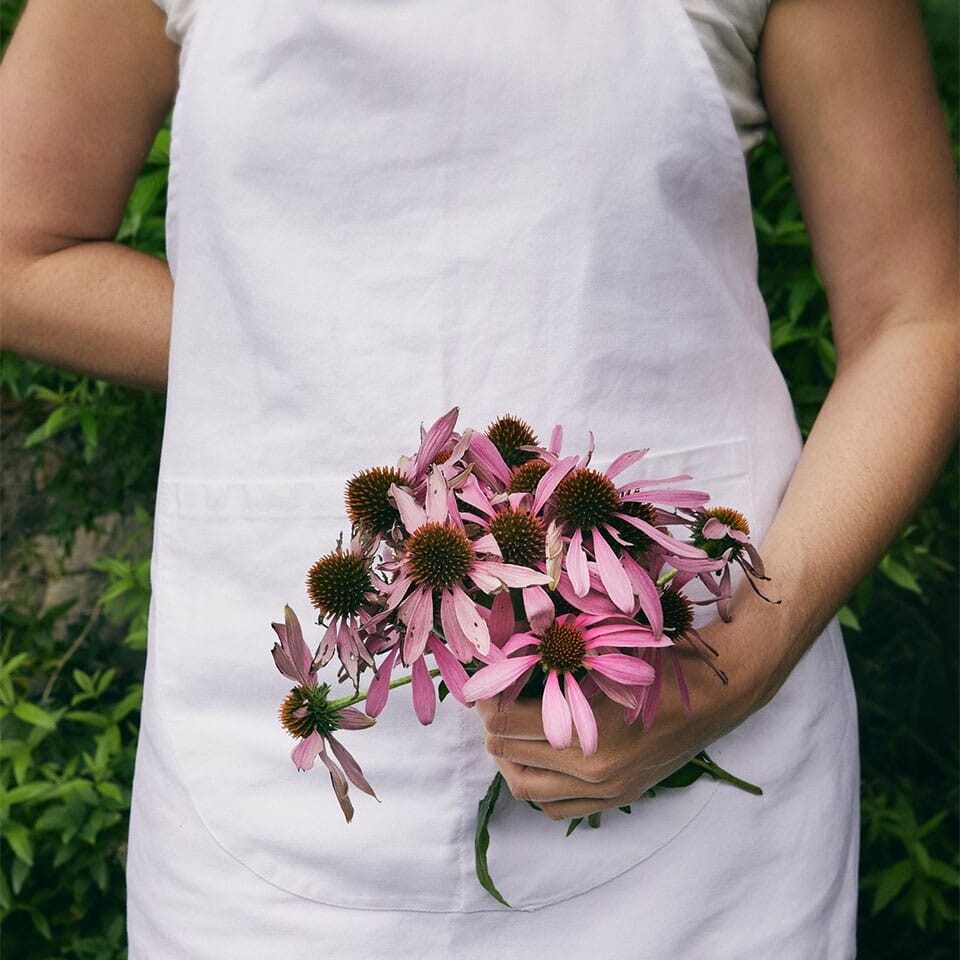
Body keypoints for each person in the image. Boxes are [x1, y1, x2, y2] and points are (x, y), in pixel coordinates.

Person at [2, 1, 956, 957]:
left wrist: (747, 660)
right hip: (269, 785)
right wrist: (286, 342)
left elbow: (917, 313)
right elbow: (19, 249)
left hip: (695, 735)